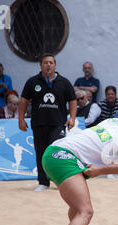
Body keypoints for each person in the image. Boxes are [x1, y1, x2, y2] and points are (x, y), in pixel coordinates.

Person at [18, 53, 77, 192]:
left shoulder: (64, 82)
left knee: (56, 152)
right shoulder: (33, 82)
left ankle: (59, 181)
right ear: (41, 65)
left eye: (51, 62)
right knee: (41, 153)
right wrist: (21, 119)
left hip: (58, 124)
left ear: (55, 65)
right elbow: (24, 101)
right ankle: (43, 182)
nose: (48, 65)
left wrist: (72, 118)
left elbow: (73, 101)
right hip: (39, 123)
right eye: (45, 62)